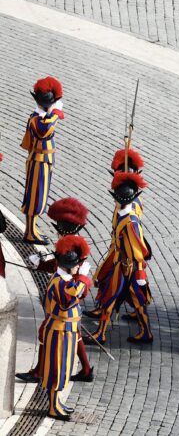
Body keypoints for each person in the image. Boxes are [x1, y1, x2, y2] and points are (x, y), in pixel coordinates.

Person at [15, 198, 93, 384]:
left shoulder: (70, 245)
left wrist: (42, 265)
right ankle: (86, 369)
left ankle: (40, 372)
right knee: (75, 333)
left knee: (46, 331)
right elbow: (59, 264)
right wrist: (40, 265)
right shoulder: (73, 242)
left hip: (66, 295)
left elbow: (63, 267)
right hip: (70, 297)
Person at [89, 172, 153, 345]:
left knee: (116, 298)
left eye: (116, 199)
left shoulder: (131, 222)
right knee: (118, 298)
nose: (114, 201)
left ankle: (105, 333)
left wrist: (137, 271)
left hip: (128, 267)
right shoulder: (123, 215)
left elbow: (139, 249)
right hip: (122, 263)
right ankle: (104, 332)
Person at [37, 235, 91, 420]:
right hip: (59, 331)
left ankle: (57, 402)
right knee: (57, 369)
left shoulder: (64, 279)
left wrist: (81, 278)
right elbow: (69, 300)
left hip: (65, 330)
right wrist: (83, 277)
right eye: (76, 265)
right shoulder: (61, 282)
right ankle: (52, 407)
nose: (78, 267)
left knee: (64, 369)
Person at [21, 76, 64, 244]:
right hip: (38, 161)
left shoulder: (42, 117)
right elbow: (45, 129)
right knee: (34, 198)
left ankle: (32, 229)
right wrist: (56, 113)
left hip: (44, 160)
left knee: (40, 196)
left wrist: (53, 113)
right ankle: (30, 232)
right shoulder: (38, 119)